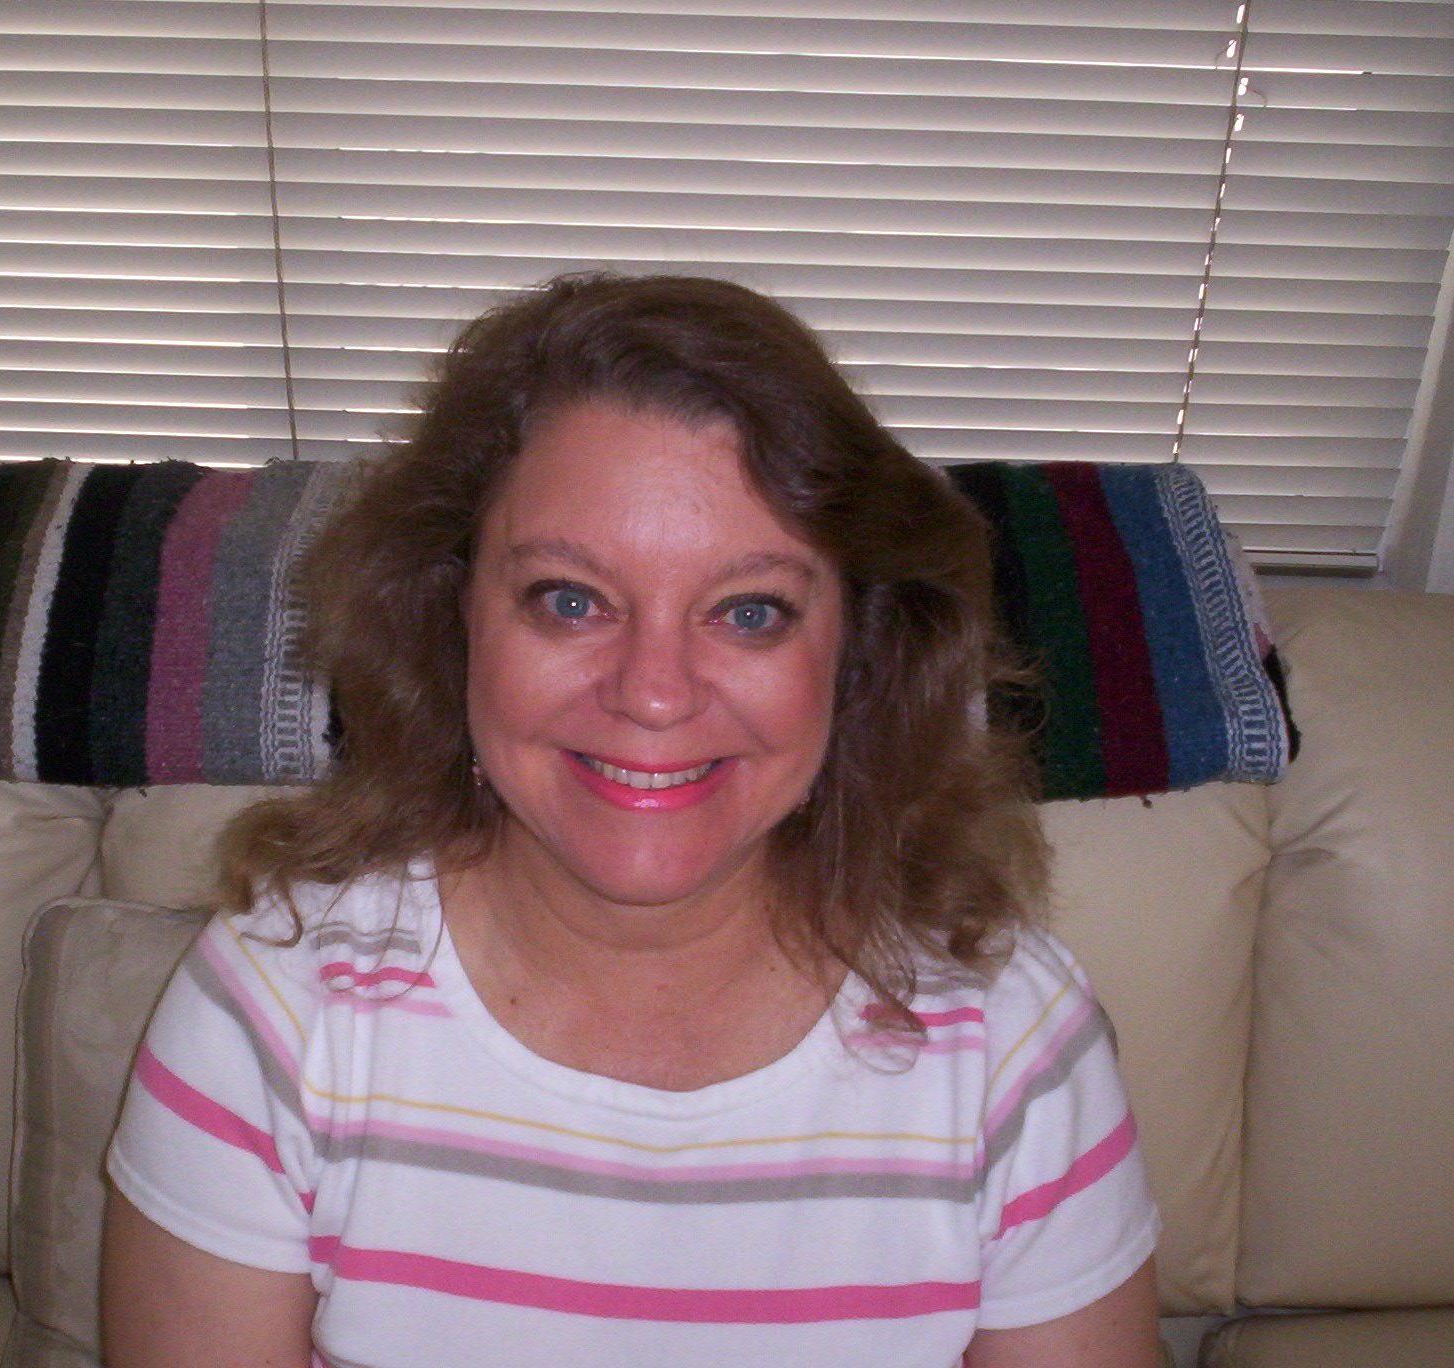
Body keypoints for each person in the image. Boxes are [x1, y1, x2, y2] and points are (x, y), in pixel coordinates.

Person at [100, 273, 1162, 1367]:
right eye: (570, 600)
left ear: (857, 652)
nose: (654, 694)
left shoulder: (1011, 1049)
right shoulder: (274, 1015)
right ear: (451, 619)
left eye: (748, 612)